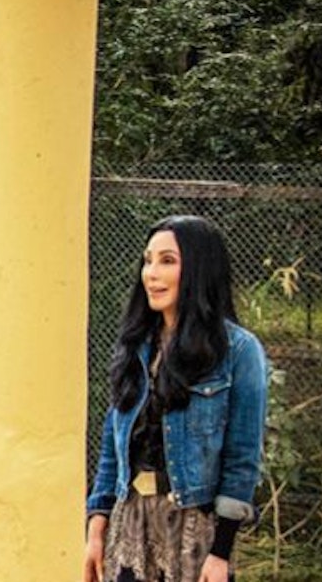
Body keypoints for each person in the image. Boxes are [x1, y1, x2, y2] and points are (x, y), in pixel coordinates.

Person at [84, 215, 269, 582]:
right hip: (130, 523)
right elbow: (111, 445)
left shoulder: (239, 351)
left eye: (167, 261)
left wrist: (221, 554)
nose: (151, 272)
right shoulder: (135, 347)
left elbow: (242, 460)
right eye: (148, 260)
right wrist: (96, 524)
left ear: (199, 269)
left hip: (194, 532)